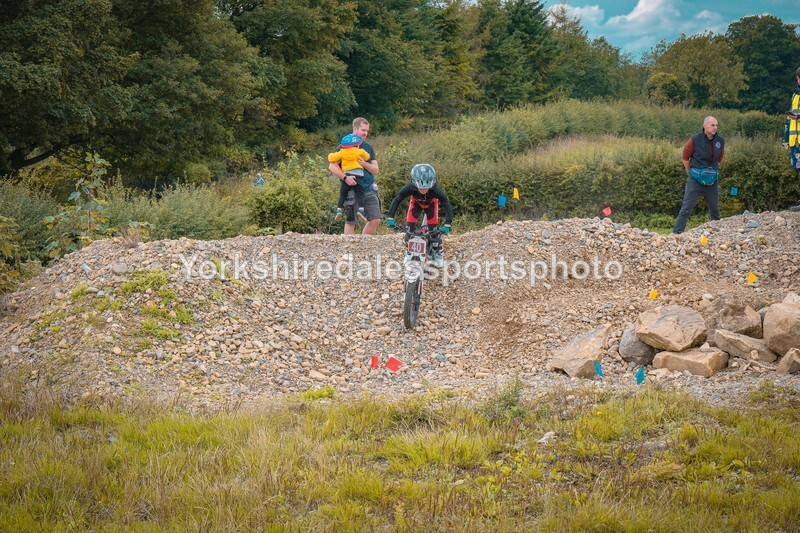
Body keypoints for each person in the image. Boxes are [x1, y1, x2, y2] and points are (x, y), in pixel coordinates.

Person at [385, 163, 453, 267]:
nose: (423, 191)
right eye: (420, 188)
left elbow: (446, 203)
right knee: (409, 230)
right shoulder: (409, 187)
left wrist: (448, 223)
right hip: (416, 204)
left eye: (426, 188)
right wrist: (390, 216)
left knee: (434, 232)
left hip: (431, 205)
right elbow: (398, 199)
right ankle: (408, 252)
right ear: (414, 183)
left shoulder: (435, 190)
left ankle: (438, 253)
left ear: (432, 183)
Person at [328, 118, 381, 234]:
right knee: (351, 221)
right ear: (355, 129)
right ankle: (348, 249)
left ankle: (362, 245)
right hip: (351, 188)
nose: (365, 133)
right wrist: (345, 178)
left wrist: (364, 163)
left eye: (367, 131)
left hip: (368, 188)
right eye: (363, 130)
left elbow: (375, 169)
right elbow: (332, 166)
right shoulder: (345, 145)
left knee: (375, 219)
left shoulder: (368, 147)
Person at [673, 116, 724, 234]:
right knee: (686, 208)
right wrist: (690, 172)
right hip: (695, 179)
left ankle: (716, 235)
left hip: (712, 181)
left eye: (716, 125)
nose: (715, 128)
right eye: (712, 125)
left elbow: (720, 159)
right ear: (705, 126)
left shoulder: (720, 141)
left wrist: (710, 173)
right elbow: (685, 157)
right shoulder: (695, 139)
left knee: (715, 210)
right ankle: (676, 234)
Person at [328, 133, 371, 223]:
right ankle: (361, 210)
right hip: (358, 175)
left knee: (343, 194)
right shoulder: (360, 151)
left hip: (347, 175)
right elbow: (367, 157)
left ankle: (339, 210)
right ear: (358, 145)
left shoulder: (342, 152)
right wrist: (362, 158)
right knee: (360, 193)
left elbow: (331, 158)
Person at [781, 67, 800, 212]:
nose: (799, 81)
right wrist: (785, 138)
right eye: (798, 78)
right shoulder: (795, 94)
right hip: (796, 141)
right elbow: (789, 119)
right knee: (798, 170)